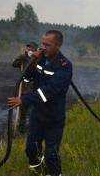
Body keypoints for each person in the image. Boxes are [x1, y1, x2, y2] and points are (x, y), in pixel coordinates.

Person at [8, 30, 72, 176]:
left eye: (47, 45)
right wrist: (33, 61)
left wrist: (23, 100)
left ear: (58, 45)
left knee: (51, 155)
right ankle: (38, 170)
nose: (43, 48)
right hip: (37, 115)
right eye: (42, 44)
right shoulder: (41, 59)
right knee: (31, 149)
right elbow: (28, 78)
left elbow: (48, 91)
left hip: (53, 118)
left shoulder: (65, 66)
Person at [12, 42, 38, 134]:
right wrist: (21, 58)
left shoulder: (37, 59)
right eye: (28, 48)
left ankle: (32, 127)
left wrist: (35, 59)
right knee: (23, 108)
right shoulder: (23, 58)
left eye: (31, 48)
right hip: (24, 86)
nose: (29, 49)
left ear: (35, 49)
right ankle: (21, 129)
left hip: (34, 85)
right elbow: (14, 64)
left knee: (33, 108)